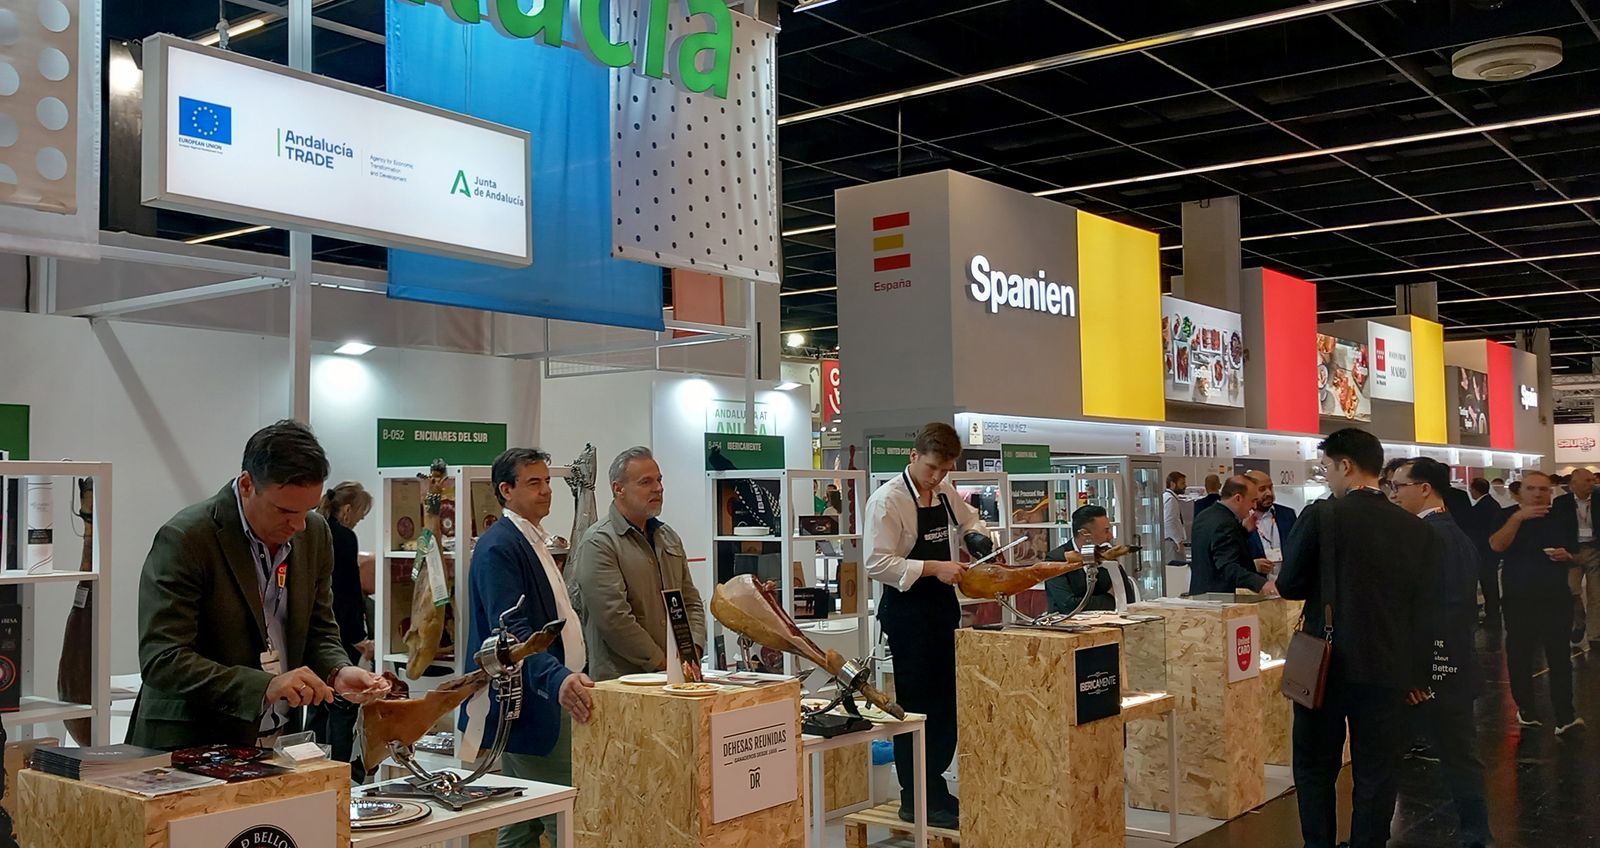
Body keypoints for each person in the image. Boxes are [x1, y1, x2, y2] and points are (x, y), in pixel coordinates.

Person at [127, 421, 389, 749]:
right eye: (284, 511)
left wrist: (338, 671)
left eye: (307, 510)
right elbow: (162, 659)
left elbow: (319, 631)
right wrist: (263, 686)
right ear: (248, 484)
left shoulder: (315, 533)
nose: (297, 525)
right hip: (193, 745)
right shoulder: (187, 539)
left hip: (281, 740)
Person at [1277, 428, 1437, 848]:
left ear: (1345, 465)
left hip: (1325, 665)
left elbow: (1290, 584)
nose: (1327, 476)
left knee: (1315, 768)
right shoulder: (1414, 528)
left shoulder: (1321, 515)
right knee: (1377, 772)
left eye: (1327, 467)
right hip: (1388, 667)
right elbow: (1425, 608)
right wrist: (1419, 674)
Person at [463, 448, 596, 848]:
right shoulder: (500, 547)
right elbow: (511, 634)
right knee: (562, 818)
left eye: (548, 482)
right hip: (532, 699)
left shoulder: (529, 539)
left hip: (547, 695)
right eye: (533, 483)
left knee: (523, 819)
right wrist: (557, 680)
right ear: (505, 490)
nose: (546, 491)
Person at [863, 422, 991, 830]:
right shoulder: (887, 501)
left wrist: (977, 538)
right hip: (907, 613)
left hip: (941, 608)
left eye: (945, 470)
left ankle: (935, 787)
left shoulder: (942, 490)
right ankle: (912, 797)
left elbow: (969, 518)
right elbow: (876, 563)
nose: (937, 477)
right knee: (916, 706)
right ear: (914, 456)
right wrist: (935, 566)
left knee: (946, 702)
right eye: (932, 467)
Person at [1388, 458, 1491, 848]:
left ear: (1425, 488)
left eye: (1399, 486)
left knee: (1454, 755)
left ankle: (1475, 834)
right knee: (1459, 755)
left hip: (1438, 671)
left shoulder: (1432, 537)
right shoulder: (1450, 534)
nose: (1394, 494)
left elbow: (1437, 612)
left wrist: (1421, 676)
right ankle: (1475, 833)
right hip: (1450, 667)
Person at [569, 446, 706, 682]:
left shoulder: (668, 537)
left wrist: (692, 651)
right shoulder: (599, 543)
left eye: (659, 480)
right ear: (618, 488)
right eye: (646, 482)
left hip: (677, 678)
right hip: (623, 685)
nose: (658, 488)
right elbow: (614, 619)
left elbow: (690, 601)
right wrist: (661, 663)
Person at [1492, 470, 1584, 734]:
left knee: (1560, 657)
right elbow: (1497, 545)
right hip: (1518, 597)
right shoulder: (1505, 515)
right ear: (1521, 491)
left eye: (1543, 489)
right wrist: (1518, 518)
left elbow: (1577, 555)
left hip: (1555, 596)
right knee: (1520, 655)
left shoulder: (1562, 517)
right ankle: (1526, 708)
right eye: (1532, 488)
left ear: (1551, 491)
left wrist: (1567, 555)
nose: (1538, 494)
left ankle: (1565, 716)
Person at [305, 481, 374, 777]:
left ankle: (311, 765)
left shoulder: (314, 532)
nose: (359, 519)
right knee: (344, 706)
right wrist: (358, 636)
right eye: (360, 513)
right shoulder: (343, 537)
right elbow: (346, 592)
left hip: (313, 632)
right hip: (338, 633)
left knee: (318, 702)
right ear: (347, 509)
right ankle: (342, 771)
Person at [1187, 475, 1274, 596]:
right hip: (1220, 599)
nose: (1254, 506)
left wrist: (1244, 530)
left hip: (1201, 594)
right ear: (1238, 498)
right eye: (1253, 500)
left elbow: (1217, 551)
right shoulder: (1226, 523)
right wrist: (1262, 584)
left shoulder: (1205, 515)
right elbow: (1228, 567)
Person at [1044, 504, 1137, 613]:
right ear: (1084, 533)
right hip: (1067, 625)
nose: (1110, 536)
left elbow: (1128, 598)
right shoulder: (1057, 559)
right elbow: (1068, 605)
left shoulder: (1106, 554)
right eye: (1106, 531)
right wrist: (1111, 599)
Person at [1553, 468, 1598, 650]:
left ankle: (1595, 635)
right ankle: (1579, 622)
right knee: (1571, 591)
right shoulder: (1561, 503)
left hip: (1595, 549)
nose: (1591, 484)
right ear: (1573, 484)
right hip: (1572, 551)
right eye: (1587, 481)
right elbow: (1557, 528)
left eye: (1592, 480)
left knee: (1596, 595)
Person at [1465, 477, 1506, 645]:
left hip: (1484, 551)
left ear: (1474, 490)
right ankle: (1493, 612)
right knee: (1490, 583)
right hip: (1491, 551)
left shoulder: (1481, 507)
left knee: (1488, 583)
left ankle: (1492, 614)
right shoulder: (1493, 504)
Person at [1242, 470, 1296, 567]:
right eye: (1262, 489)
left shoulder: (1287, 515)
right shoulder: (1240, 520)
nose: (1269, 493)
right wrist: (1253, 566)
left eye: (1270, 487)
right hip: (1256, 579)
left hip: (1285, 578)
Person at [1161, 471, 1189, 564]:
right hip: (1171, 541)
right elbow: (1169, 522)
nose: (1185, 486)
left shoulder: (1167, 497)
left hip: (1169, 540)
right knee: (1176, 570)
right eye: (1182, 483)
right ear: (1173, 484)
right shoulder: (1171, 499)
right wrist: (1178, 541)